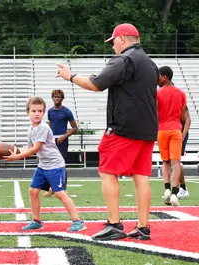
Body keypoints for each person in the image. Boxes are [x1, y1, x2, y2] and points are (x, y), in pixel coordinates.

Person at [56, 23, 158, 241]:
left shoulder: (125, 60)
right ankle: (143, 227)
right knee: (141, 177)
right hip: (148, 128)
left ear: (121, 39)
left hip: (124, 127)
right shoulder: (150, 63)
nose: (113, 47)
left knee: (107, 171)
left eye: (113, 42)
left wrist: (69, 75)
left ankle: (114, 224)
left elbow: (95, 84)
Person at [3, 96, 86, 232]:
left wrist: (16, 157)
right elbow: (29, 147)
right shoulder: (31, 129)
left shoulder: (43, 127)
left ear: (43, 113)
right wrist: (15, 152)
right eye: (34, 111)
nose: (37, 113)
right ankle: (36, 221)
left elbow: (36, 149)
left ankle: (77, 221)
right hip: (43, 165)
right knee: (33, 191)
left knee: (60, 193)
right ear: (27, 112)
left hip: (55, 165)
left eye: (40, 111)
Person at [157, 66, 187, 206]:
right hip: (176, 129)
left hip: (162, 129)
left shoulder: (157, 93)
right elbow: (182, 116)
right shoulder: (181, 93)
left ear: (164, 77)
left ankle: (167, 190)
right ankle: (175, 193)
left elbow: (155, 113)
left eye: (159, 76)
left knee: (165, 162)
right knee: (176, 163)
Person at [43, 89, 78, 198]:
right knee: (50, 163)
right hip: (52, 141)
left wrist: (63, 137)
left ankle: (64, 188)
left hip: (62, 140)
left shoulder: (66, 111)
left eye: (59, 97)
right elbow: (50, 125)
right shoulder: (50, 111)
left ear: (62, 98)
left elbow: (75, 128)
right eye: (55, 97)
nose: (57, 99)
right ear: (52, 98)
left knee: (61, 164)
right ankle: (51, 188)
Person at [178, 107, 190, 199]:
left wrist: (182, 136)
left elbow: (188, 119)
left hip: (178, 133)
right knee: (169, 163)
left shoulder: (181, 101)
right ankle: (179, 188)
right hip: (170, 132)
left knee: (174, 162)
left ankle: (183, 188)